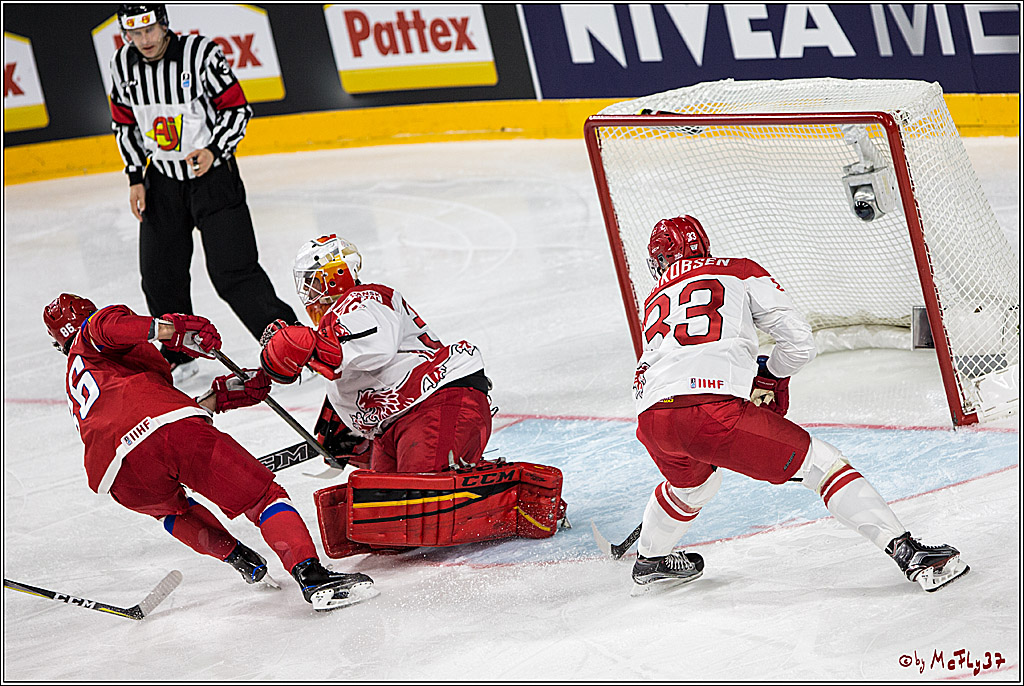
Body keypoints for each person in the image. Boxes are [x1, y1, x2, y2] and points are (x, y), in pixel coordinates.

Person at [628, 215, 969, 593]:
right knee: (823, 465)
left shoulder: (653, 297)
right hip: (709, 411)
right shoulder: (739, 271)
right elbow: (800, 344)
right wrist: (771, 376)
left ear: (660, 259)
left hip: (650, 417)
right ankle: (911, 556)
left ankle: (650, 560)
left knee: (693, 488)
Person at [43, 293, 375, 611]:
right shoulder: (93, 331)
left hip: (118, 474)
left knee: (173, 512)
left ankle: (240, 558)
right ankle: (313, 579)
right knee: (265, 498)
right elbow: (115, 335)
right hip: (171, 433)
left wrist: (219, 399)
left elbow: (140, 418)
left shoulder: (84, 379)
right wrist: (173, 330)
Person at [108, 4, 296, 383]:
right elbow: (124, 123)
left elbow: (237, 109)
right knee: (160, 274)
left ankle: (289, 347)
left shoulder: (201, 54)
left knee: (233, 272)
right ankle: (179, 355)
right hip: (161, 181)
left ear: (164, 26)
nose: (143, 40)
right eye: (134, 33)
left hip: (213, 178)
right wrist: (135, 177)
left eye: (150, 30)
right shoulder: (121, 65)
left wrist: (213, 150)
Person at [260, 234, 493, 475]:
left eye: (314, 283)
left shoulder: (363, 298)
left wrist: (311, 346)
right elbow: (360, 366)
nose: (309, 293)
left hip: (436, 403)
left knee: (418, 500)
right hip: (400, 423)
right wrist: (344, 426)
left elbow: (376, 346)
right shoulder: (338, 322)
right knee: (378, 502)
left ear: (335, 276)